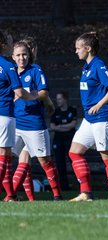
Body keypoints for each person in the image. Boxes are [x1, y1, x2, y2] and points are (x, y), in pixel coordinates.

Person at [68, 32, 108, 202]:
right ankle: (86, 193)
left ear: (88, 48)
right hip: (90, 119)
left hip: (104, 118)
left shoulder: (99, 65)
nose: (76, 51)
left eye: (78, 48)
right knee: (74, 152)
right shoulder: (87, 66)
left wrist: (99, 105)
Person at [10, 40, 63, 201]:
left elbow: (43, 92)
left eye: (24, 54)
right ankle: (14, 196)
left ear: (29, 55)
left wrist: (30, 96)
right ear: (13, 57)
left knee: (44, 160)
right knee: (15, 159)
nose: (21, 58)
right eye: (18, 55)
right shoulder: (10, 72)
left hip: (34, 124)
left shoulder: (35, 70)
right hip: (15, 124)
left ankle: (57, 195)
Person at [0, 31, 40, 201]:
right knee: (5, 156)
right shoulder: (8, 66)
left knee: (6, 156)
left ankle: (11, 195)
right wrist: (34, 96)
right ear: (3, 45)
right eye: (10, 42)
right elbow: (19, 92)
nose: (12, 45)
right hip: (5, 115)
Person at [50, 91, 77, 190]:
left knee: (73, 161)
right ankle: (64, 187)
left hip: (70, 140)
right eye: (57, 99)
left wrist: (60, 126)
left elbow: (72, 125)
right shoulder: (55, 112)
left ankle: (80, 184)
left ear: (65, 99)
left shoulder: (72, 110)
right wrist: (65, 127)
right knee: (60, 164)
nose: (58, 101)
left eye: (60, 99)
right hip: (58, 140)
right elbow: (52, 127)